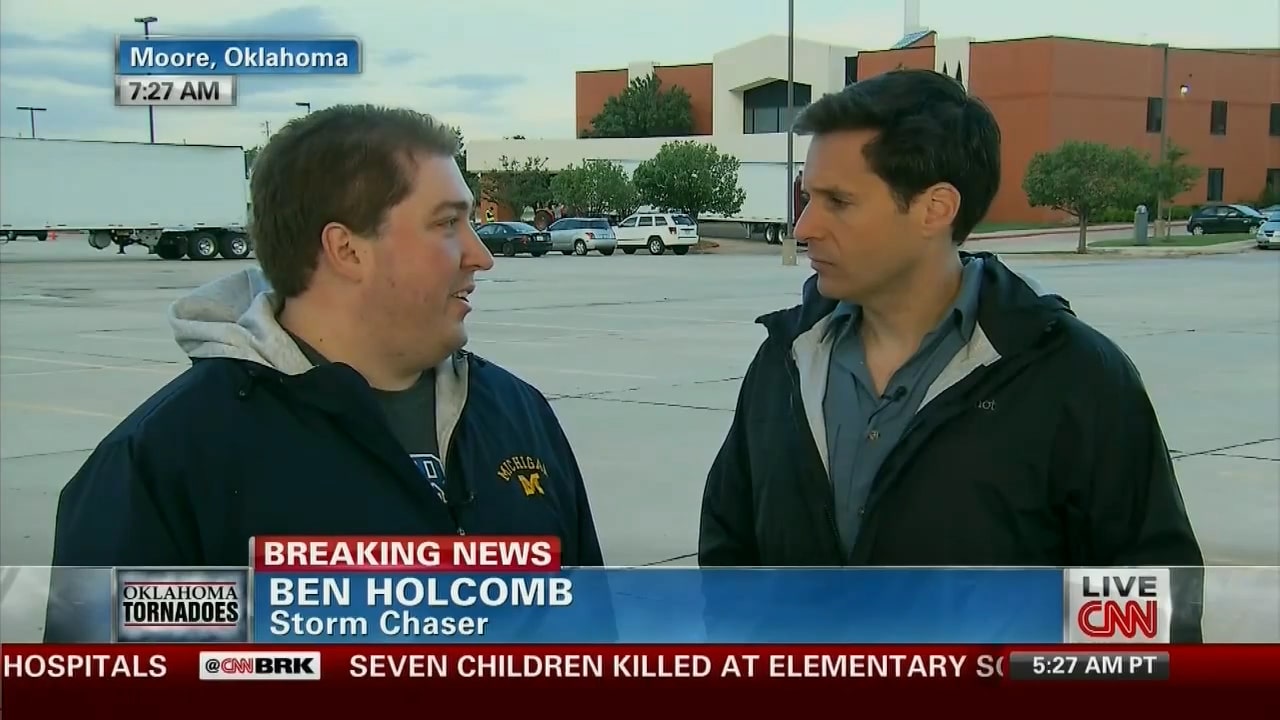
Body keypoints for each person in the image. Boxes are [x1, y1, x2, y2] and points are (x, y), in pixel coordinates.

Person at [698, 70, 1204, 640]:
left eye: (838, 201)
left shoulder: (1075, 379)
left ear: (935, 209)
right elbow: (728, 549)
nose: (805, 226)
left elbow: (1151, 616)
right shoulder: (784, 363)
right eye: (806, 196)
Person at [48, 105, 605, 585]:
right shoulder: (167, 463)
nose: (481, 255)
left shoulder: (518, 414)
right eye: (446, 224)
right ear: (346, 249)